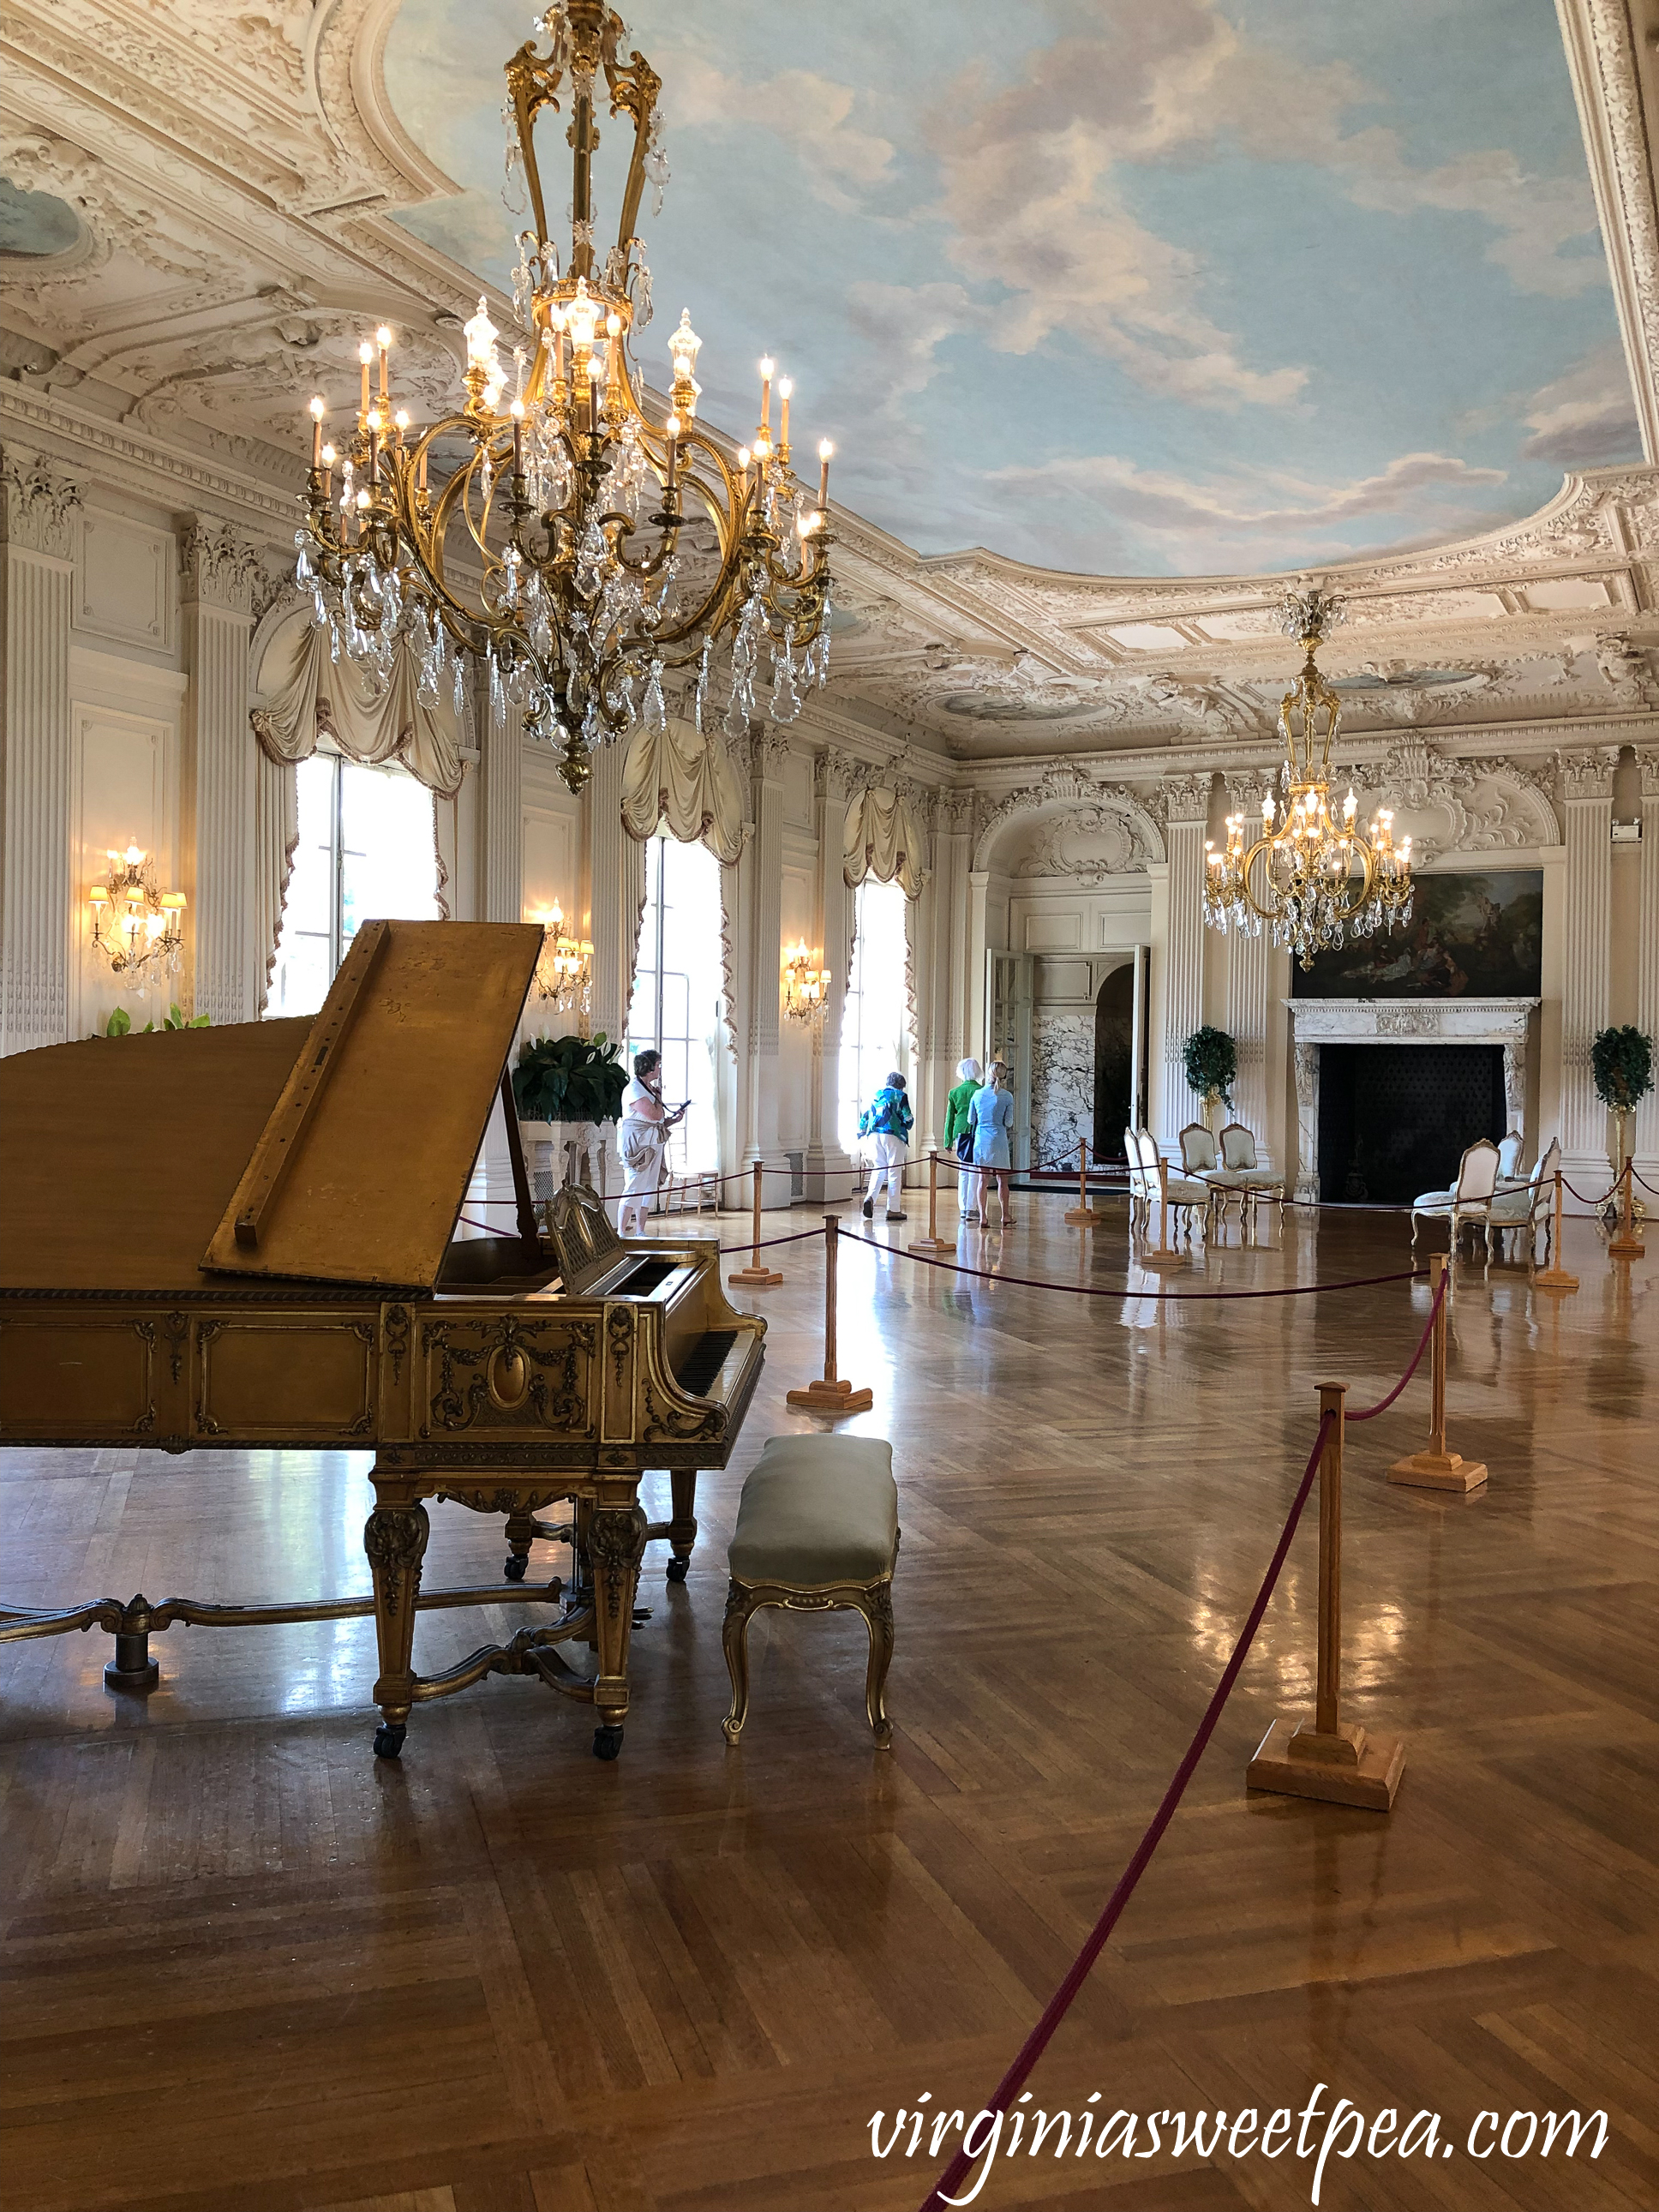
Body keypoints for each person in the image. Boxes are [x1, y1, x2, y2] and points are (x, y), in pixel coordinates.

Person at [617, 1049, 686, 1237]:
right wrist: (660, 1099)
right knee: (633, 1185)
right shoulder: (634, 1089)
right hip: (639, 1144)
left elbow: (657, 1120)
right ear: (649, 1068)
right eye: (658, 1065)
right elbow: (654, 1114)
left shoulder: (647, 1088)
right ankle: (622, 1233)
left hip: (653, 1142)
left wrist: (673, 1120)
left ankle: (640, 1231)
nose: (660, 1069)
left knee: (648, 1186)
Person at [858, 1070, 913, 1222]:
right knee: (894, 1172)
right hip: (893, 1134)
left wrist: (861, 1131)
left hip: (874, 1134)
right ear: (901, 1086)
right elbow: (907, 1117)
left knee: (878, 1168)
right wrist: (908, 1124)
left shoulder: (877, 1094)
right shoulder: (900, 1096)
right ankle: (893, 1210)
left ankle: (870, 1198)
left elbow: (867, 1115)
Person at [967, 1058, 1016, 1227]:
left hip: (982, 1139)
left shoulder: (977, 1094)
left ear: (988, 1074)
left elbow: (971, 1119)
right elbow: (1009, 1123)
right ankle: (1005, 1215)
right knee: (1002, 1181)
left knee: (983, 1180)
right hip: (999, 1139)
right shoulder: (1007, 1096)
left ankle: (983, 1217)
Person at [944, 1056, 984, 1222]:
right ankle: (972, 1208)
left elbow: (949, 1119)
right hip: (978, 1132)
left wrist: (947, 1140)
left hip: (959, 1133)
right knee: (975, 1170)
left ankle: (963, 1207)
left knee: (963, 1171)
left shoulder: (954, 1092)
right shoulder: (981, 1091)